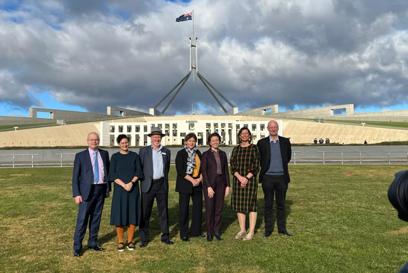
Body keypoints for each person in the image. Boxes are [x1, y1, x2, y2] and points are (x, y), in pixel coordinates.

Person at [72, 132, 110, 257]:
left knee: (96, 218)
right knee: (82, 219)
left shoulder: (104, 154)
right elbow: (75, 177)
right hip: (86, 192)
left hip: (100, 189)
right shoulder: (80, 156)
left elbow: (107, 171)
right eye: (92, 140)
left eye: (96, 139)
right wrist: (76, 194)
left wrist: (108, 189)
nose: (94, 141)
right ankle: (77, 247)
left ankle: (93, 242)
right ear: (87, 141)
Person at [257, 120, 293, 237]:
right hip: (267, 177)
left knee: (281, 204)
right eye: (271, 127)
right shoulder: (261, 143)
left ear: (277, 128)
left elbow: (287, 157)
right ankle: (268, 230)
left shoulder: (285, 141)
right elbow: (260, 158)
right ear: (267, 128)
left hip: (282, 177)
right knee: (268, 204)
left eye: (275, 127)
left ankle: (282, 229)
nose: (273, 129)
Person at [139, 127, 173, 246]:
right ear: (150, 138)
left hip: (161, 184)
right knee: (145, 212)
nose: (156, 139)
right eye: (154, 137)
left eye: (158, 137)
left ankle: (165, 236)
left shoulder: (166, 151)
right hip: (148, 185)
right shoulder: (143, 151)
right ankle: (144, 238)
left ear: (161, 138)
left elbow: (167, 168)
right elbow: (140, 167)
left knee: (163, 212)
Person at [109, 134, 143, 252]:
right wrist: (124, 185)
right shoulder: (114, 157)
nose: (125, 144)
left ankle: (130, 240)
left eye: (126, 142)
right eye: (122, 143)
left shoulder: (135, 156)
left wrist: (131, 183)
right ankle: (120, 241)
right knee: (120, 214)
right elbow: (112, 174)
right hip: (120, 190)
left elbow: (139, 172)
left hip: (133, 189)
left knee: (132, 213)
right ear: (119, 144)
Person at [230, 127, 260, 241]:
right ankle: (242, 229)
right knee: (240, 205)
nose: (244, 135)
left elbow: (256, 165)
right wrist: (239, 177)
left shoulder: (254, 148)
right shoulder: (236, 149)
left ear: (249, 135)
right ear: (239, 136)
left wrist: (246, 178)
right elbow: (232, 165)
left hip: (250, 180)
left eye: (246, 133)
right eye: (242, 133)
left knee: (252, 205)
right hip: (238, 180)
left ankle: (251, 231)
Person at [201, 132, 230, 241]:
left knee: (219, 208)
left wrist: (228, 186)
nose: (215, 142)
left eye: (217, 140)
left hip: (221, 183)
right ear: (209, 142)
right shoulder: (205, 155)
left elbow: (226, 171)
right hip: (210, 184)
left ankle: (216, 231)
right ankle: (209, 232)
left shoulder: (222, 154)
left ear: (219, 141)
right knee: (210, 208)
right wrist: (208, 187)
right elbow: (203, 172)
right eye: (213, 140)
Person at [175, 133, 203, 241]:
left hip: (197, 183)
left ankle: (196, 231)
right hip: (185, 183)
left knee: (198, 208)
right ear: (185, 142)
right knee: (184, 209)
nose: (191, 143)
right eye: (189, 141)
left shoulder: (198, 153)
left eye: (193, 141)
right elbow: (180, 170)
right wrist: (192, 180)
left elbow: (202, 168)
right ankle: (184, 233)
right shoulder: (181, 153)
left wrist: (199, 179)